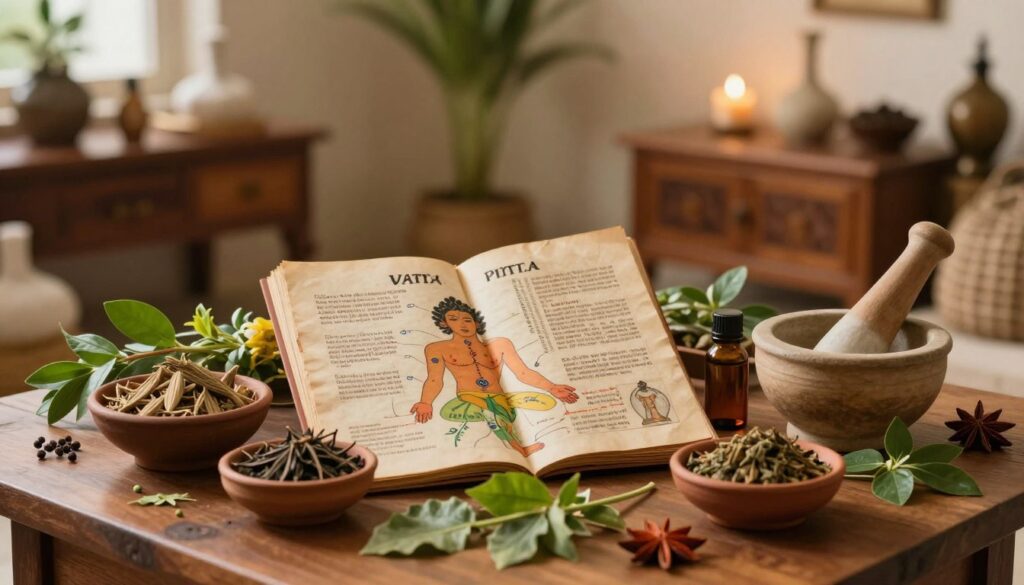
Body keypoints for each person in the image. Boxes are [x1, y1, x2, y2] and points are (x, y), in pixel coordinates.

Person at [410, 297, 578, 457]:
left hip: (500, 398)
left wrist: (551, 387)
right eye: (453, 319)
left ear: (476, 323)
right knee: (492, 415)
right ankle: (520, 450)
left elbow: (523, 373)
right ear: (444, 323)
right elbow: (435, 379)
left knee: (545, 405)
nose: (462, 324)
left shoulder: (500, 344)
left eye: (467, 320)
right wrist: (426, 402)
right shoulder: (437, 348)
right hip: (470, 396)